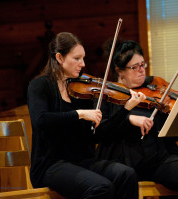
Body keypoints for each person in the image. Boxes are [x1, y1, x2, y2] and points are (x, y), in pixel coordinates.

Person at [27, 32, 146, 199]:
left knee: (126, 175)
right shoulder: (40, 85)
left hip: (80, 163)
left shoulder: (80, 91)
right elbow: (41, 120)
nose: (82, 64)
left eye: (83, 58)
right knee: (101, 187)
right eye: (77, 58)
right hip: (50, 165)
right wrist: (79, 114)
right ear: (60, 58)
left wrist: (126, 109)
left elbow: (99, 134)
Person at [95, 40, 178, 199]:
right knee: (125, 176)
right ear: (120, 71)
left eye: (142, 65)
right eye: (134, 67)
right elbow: (101, 131)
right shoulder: (106, 95)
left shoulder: (154, 90)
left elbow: (172, 132)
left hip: (157, 160)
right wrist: (128, 119)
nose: (141, 71)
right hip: (123, 161)